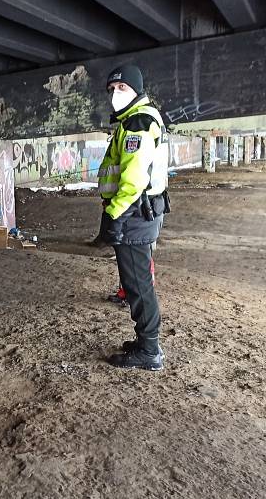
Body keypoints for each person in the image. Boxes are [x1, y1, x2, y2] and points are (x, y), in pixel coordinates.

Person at [98, 64, 170, 371]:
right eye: (112, 89)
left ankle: (149, 350)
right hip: (141, 210)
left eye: (122, 88)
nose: (116, 94)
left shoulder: (138, 123)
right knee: (138, 281)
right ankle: (145, 343)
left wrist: (113, 214)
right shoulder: (138, 118)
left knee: (138, 284)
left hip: (133, 212)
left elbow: (133, 179)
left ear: (136, 90)